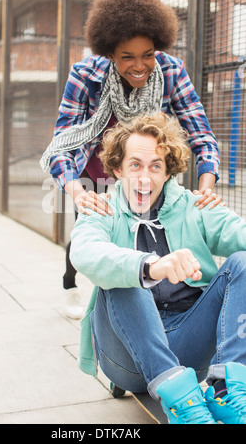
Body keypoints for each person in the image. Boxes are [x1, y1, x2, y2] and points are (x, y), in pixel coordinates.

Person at [40, 0, 222, 319]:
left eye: (148, 54)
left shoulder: (170, 71)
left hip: (145, 172)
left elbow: (201, 134)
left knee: (143, 239)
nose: (140, 66)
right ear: (110, 52)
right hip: (96, 174)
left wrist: (207, 184)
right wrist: (78, 193)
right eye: (128, 56)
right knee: (91, 233)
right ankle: (72, 284)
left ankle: (146, 306)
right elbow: (61, 145)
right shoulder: (85, 75)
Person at [69, 112, 246, 425]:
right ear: (117, 169)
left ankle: (227, 392)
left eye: (156, 166)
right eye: (135, 164)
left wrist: (222, 213)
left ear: (168, 172)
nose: (144, 177)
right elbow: (85, 253)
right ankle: (186, 410)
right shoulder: (101, 208)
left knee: (242, 264)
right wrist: (150, 265)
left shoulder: (193, 206)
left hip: (188, 345)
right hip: (125, 356)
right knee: (123, 276)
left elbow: (240, 238)